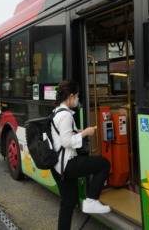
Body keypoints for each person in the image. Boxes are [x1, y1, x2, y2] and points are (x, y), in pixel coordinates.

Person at [50, 79, 111, 229]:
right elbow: (66, 141)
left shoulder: (57, 112)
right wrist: (85, 133)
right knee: (103, 164)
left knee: (68, 203)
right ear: (70, 96)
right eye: (76, 96)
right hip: (67, 164)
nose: (77, 99)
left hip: (57, 166)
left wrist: (80, 131)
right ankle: (91, 201)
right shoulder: (66, 115)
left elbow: (63, 134)